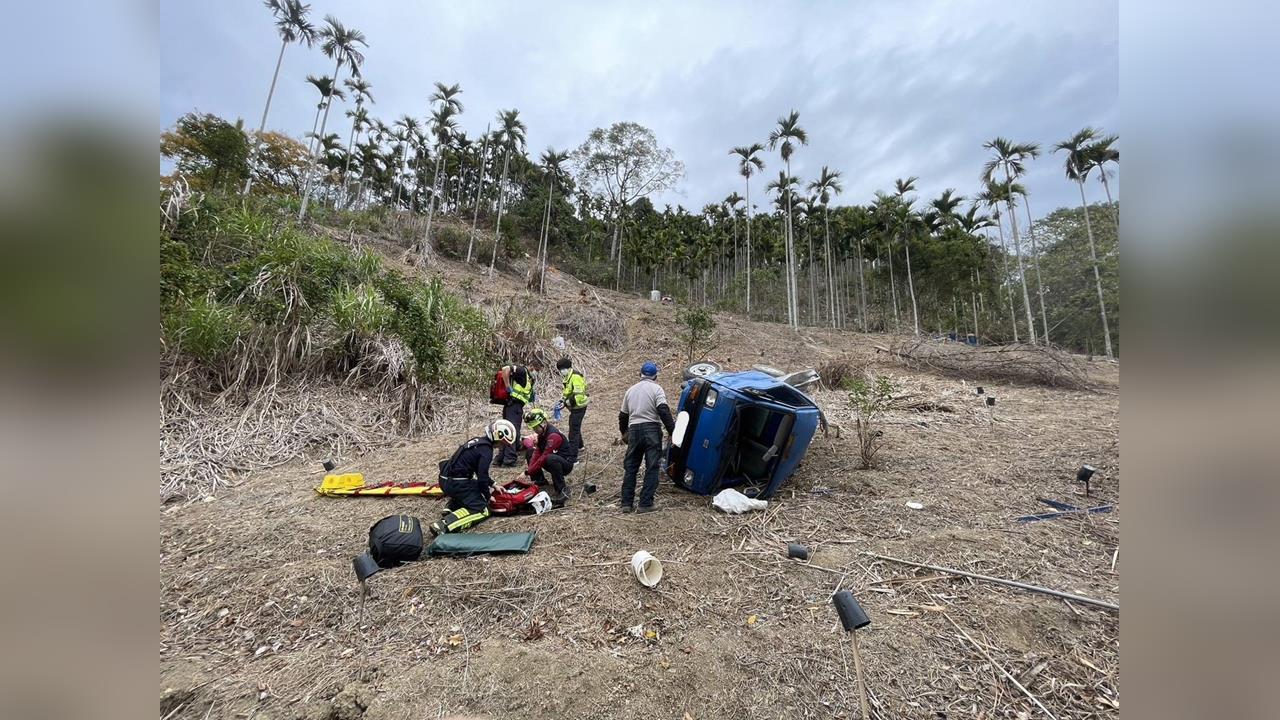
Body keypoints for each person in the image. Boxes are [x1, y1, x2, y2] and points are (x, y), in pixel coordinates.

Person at [430, 418, 516, 536]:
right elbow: (482, 478)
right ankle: (444, 525)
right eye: (502, 443)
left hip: (445, 480)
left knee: (473, 486)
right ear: (498, 436)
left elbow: (478, 471)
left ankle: (451, 507)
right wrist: (487, 496)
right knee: (482, 509)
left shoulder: (478, 442)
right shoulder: (486, 451)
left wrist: (494, 484)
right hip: (455, 484)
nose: (501, 446)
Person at [618, 361, 675, 513]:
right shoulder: (657, 389)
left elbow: (623, 416)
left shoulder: (630, 391)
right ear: (655, 376)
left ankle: (626, 503)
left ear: (640, 374)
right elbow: (663, 410)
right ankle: (645, 504)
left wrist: (624, 433)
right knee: (652, 467)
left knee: (631, 468)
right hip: (652, 430)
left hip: (634, 430)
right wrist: (673, 432)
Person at [521, 407, 577, 504]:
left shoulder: (553, 436)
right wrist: (529, 470)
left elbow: (543, 457)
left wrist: (527, 472)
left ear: (543, 423)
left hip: (565, 464)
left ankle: (561, 490)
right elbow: (537, 453)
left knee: (550, 458)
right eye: (533, 428)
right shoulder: (542, 434)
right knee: (530, 451)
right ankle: (540, 482)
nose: (535, 430)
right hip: (552, 459)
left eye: (536, 427)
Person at [495, 363, 536, 466]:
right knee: (511, 432)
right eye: (538, 369)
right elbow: (505, 369)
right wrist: (508, 386)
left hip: (513, 406)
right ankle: (509, 459)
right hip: (514, 406)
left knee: (506, 430)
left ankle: (500, 459)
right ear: (534, 366)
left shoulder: (527, 376)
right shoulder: (522, 371)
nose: (537, 372)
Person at [556, 357, 590, 454]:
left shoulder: (576, 377)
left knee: (573, 431)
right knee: (574, 426)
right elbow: (567, 391)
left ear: (567, 368)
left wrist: (566, 403)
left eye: (562, 370)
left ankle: (573, 456)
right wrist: (562, 400)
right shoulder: (568, 377)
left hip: (579, 406)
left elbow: (578, 395)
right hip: (575, 406)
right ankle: (580, 446)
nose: (561, 372)